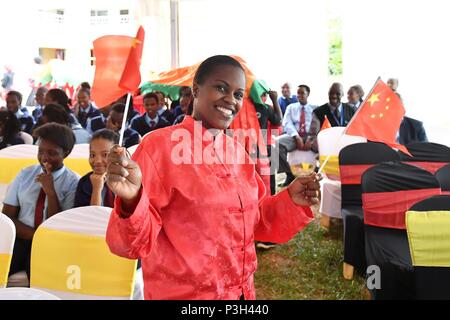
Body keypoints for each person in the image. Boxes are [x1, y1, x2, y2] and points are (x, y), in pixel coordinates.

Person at [105, 55, 321, 300]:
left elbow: (255, 221)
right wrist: (132, 201)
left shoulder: (237, 151)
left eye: (239, 94)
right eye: (221, 87)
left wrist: (290, 199)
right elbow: (130, 245)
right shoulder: (159, 147)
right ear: (196, 89)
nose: (231, 100)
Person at [2, 123, 79, 280]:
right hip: (21, 237)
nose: (44, 158)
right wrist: (35, 236)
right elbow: (8, 216)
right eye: (41, 151)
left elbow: (59, 226)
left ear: (66, 153)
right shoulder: (25, 174)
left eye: (52, 153)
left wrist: (50, 192)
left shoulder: (73, 182)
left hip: (52, 245)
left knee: (40, 281)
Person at [276, 85, 316, 187]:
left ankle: (317, 172)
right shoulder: (291, 107)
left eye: (302, 93)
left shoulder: (315, 108)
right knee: (276, 143)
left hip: (311, 137)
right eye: (298, 93)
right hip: (295, 136)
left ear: (308, 94)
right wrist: (296, 137)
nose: (299, 95)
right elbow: (287, 123)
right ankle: (291, 174)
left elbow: (317, 125)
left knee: (325, 145)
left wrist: (310, 139)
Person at [74, 129, 118, 208]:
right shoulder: (84, 182)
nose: (97, 161)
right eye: (92, 155)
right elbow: (90, 217)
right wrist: (96, 190)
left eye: (105, 154)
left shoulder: (127, 181)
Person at [309, 83, 356, 152]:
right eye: (331, 93)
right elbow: (313, 136)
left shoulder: (352, 111)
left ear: (343, 94)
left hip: (347, 150)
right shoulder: (318, 112)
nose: (334, 96)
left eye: (337, 94)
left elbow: (355, 133)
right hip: (327, 151)